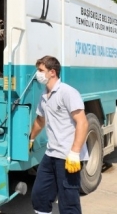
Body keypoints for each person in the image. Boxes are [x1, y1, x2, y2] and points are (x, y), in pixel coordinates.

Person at [29, 56, 89, 214]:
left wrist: (75, 152)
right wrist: (31, 138)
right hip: (51, 154)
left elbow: (82, 123)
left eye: (41, 70)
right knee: (40, 196)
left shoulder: (67, 92)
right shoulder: (44, 96)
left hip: (68, 156)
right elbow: (40, 121)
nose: (38, 74)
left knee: (68, 202)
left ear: (52, 72)